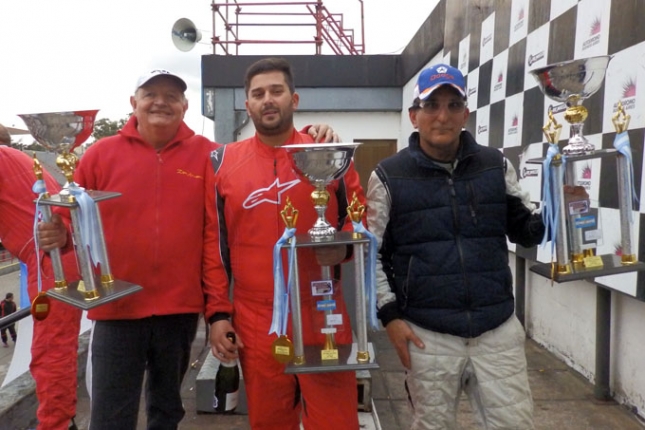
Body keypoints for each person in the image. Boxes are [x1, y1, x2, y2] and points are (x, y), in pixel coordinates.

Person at [37, 69, 339, 430]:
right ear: (134, 103)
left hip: (178, 312)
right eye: (150, 94)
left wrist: (315, 136)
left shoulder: (211, 156)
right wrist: (60, 237)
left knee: (167, 412)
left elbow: (219, 233)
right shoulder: (100, 154)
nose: (160, 102)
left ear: (185, 105)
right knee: (109, 417)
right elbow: (73, 219)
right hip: (115, 310)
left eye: (171, 95)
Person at [366, 63, 545, 429]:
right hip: (427, 336)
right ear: (414, 115)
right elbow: (372, 257)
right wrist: (391, 319)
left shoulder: (494, 165)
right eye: (432, 106)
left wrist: (560, 204)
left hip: (497, 332)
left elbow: (526, 231)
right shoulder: (387, 176)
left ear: (466, 113)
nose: (442, 116)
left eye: (452, 105)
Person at [204, 57, 364, 430]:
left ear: (294, 99)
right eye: (258, 94)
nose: (268, 100)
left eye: (276, 91)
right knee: (270, 422)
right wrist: (217, 314)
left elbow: (360, 217)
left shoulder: (328, 152)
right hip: (257, 317)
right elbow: (214, 248)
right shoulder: (224, 163)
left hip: (321, 307)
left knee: (336, 422)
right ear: (248, 106)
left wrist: (344, 248)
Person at [0, 137, 83, 430]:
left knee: (51, 351)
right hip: (58, 255)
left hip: (49, 259)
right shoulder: (17, 158)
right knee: (54, 349)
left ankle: (56, 424)